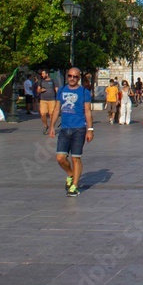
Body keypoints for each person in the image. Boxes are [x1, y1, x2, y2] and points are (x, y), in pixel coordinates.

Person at [50, 68, 93, 197]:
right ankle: (70, 173)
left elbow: (88, 112)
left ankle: (74, 186)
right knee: (60, 158)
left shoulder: (84, 92)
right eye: (70, 76)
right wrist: (52, 126)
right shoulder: (62, 90)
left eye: (75, 77)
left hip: (79, 129)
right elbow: (57, 109)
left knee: (75, 158)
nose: (72, 79)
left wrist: (90, 130)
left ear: (79, 78)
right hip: (64, 128)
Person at [36, 69, 58, 135]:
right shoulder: (41, 81)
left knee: (51, 114)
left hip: (52, 100)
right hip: (43, 100)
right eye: (41, 74)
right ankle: (46, 125)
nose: (42, 75)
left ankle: (51, 127)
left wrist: (58, 99)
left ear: (47, 74)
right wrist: (40, 90)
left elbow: (56, 90)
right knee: (43, 113)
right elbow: (38, 90)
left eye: (43, 74)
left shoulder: (53, 81)